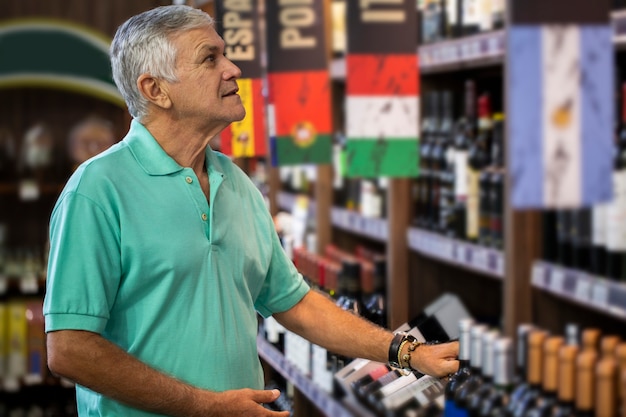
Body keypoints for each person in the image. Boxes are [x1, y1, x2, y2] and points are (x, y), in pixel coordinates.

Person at [43, 5, 459, 417]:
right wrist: (205, 407)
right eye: (210, 58)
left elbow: (294, 303)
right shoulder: (97, 189)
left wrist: (407, 353)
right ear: (155, 90)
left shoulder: (236, 184)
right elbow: (70, 349)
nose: (234, 68)